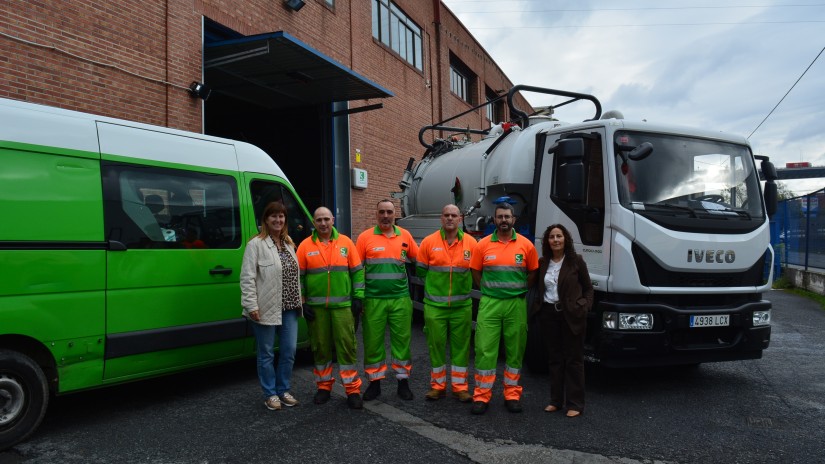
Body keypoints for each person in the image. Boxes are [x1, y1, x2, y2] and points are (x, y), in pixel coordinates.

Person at [469, 202, 538, 415]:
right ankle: (481, 396)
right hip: (490, 302)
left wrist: (519, 290)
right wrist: (489, 290)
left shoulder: (526, 245)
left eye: (507, 217)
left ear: (514, 219)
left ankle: (512, 395)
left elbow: (533, 272)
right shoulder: (483, 245)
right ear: (495, 220)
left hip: (516, 303)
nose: (504, 220)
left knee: (515, 350)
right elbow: (475, 271)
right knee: (484, 349)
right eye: (500, 217)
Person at [297, 207, 365, 410]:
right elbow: (298, 277)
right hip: (317, 309)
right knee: (320, 348)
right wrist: (303, 302)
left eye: (326, 219)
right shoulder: (304, 246)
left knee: (347, 347)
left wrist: (358, 297)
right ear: (314, 222)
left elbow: (357, 273)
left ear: (333, 220)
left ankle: (352, 390)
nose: (323, 223)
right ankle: (324, 387)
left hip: (343, 307)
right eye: (319, 220)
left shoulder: (346, 243)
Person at [240, 201, 304, 411]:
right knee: (266, 353)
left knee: (288, 351)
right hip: (265, 306)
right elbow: (247, 278)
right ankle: (270, 394)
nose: (278, 220)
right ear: (265, 220)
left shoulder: (288, 243)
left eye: (282, 216)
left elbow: (292, 273)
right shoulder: (255, 245)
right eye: (273, 216)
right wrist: (251, 306)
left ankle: (283, 389)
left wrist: (300, 295)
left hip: (290, 307)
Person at [356, 199, 419, 401]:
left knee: (402, 342)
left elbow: (419, 260)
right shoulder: (365, 237)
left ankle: (403, 382)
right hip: (373, 300)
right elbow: (357, 271)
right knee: (373, 343)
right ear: (376, 214)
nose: (385, 215)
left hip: (400, 299)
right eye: (382, 212)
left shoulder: (405, 235)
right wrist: (358, 298)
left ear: (395, 214)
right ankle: (374, 384)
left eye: (389, 212)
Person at [529, 224, 594, 417]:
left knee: (573, 360)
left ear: (565, 239)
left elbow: (589, 289)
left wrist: (584, 306)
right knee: (555, 359)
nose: (555, 240)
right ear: (547, 241)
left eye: (559, 236)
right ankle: (555, 401)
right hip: (549, 315)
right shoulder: (543, 262)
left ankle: (575, 404)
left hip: (571, 315)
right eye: (551, 237)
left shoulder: (576, 261)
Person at [416, 204, 476, 403]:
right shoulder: (428, 242)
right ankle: (437, 387)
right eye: (446, 215)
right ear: (441, 218)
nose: (450, 218)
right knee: (436, 346)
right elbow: (421, 271)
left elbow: (476, 271)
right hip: (435, 307)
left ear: (460, 219)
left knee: (461, 348)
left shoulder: (471, 243)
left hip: (461, 307)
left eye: (454, 215)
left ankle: (460, 388)